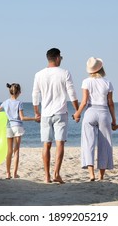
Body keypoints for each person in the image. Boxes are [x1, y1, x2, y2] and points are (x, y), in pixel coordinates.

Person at [32, 48, 79, 184]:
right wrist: (76, 111)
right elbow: (72, 93)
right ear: (58, 58)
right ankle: (56, 174)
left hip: (46, 113)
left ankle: (47, 176)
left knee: (46, 145)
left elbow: (35, 95)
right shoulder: (65, 73)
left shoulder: (39, 74)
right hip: (60, 112)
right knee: (60, 144)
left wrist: (36, 112)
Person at [73, 57, 116, 181]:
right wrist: (113, 119)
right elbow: (111, 103)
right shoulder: (108, 82)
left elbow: (84, 101)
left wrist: (77, 114)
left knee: (88, 143)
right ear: (101, 68)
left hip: (90, 112)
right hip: (103, 113)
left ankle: (91, 174)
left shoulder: (86, 81)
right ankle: (101, 175)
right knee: (105, 144)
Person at [0, 83, 38, 179]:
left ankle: (8, 173)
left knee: (9, 151)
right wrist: (34, 118)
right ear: (19, 92)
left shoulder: (5, 103)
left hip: (8, 127)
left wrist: (0, 123)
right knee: (16, 152)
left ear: (10, 91)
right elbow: (22, 118)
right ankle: (15, 174)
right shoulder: (19, 103)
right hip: (17, 127)